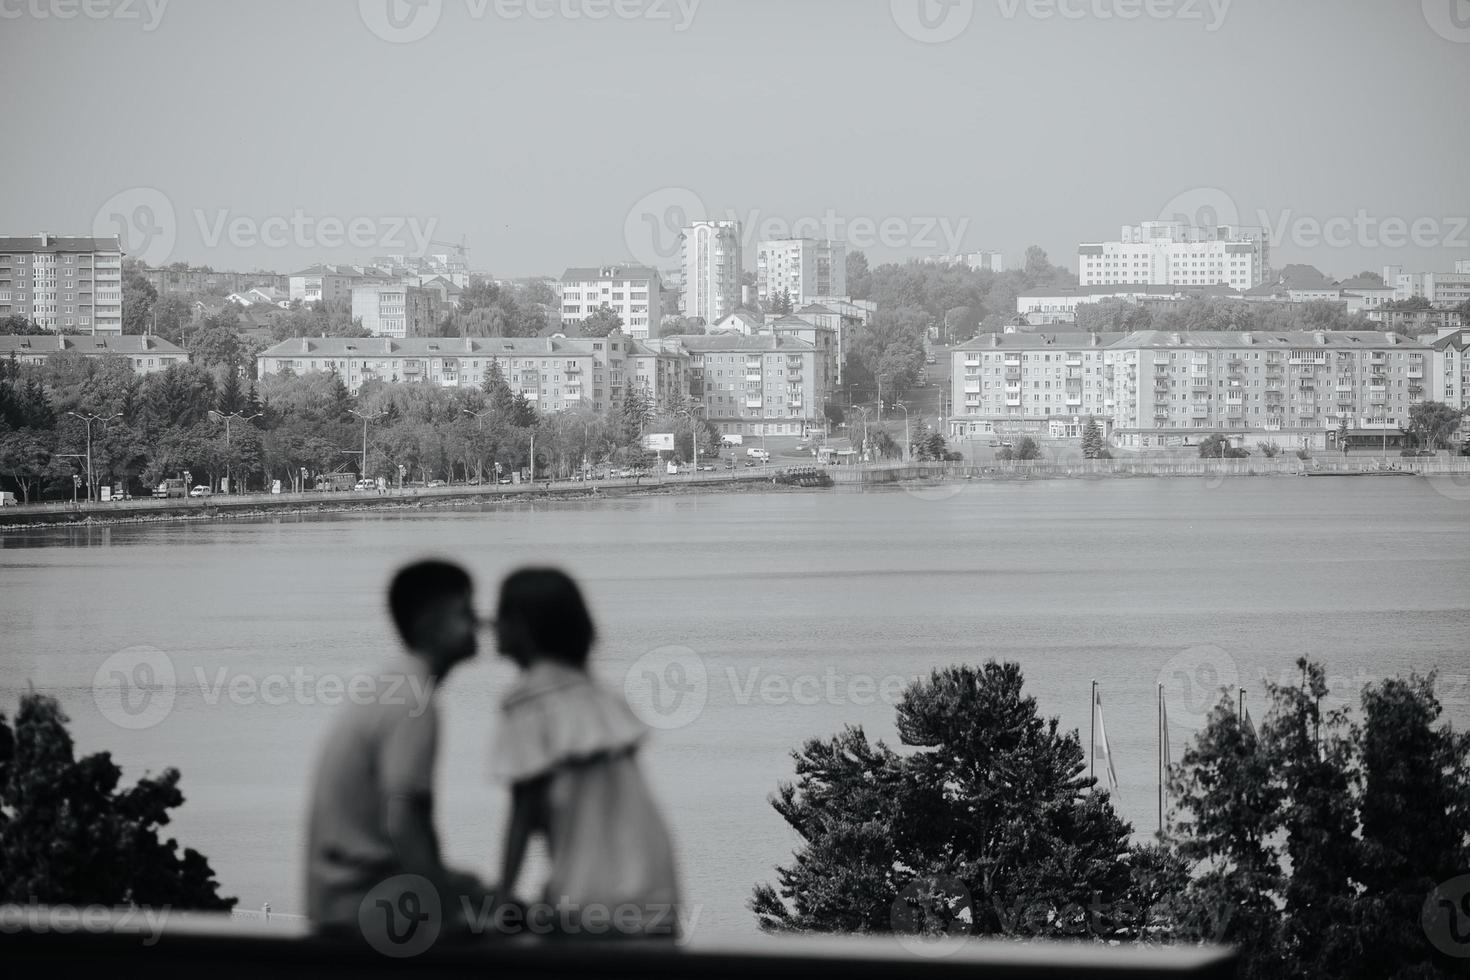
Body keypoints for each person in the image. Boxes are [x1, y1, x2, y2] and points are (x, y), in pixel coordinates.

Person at [491, 568, 681, 940]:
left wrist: (500, 897)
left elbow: (524, 809)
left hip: (593, 902)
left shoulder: (528, 702)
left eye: (500, 615)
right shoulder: (598, 695)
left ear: (522, 628)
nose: (491, 625)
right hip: (654, 886)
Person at [304, 559, 486, 938]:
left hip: (335, 901)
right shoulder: (413, 700)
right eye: (465, 613)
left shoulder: (392, 682)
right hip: (362, 910)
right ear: (427, 623)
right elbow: (403, 819)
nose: (479, 623)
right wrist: (446, 911)